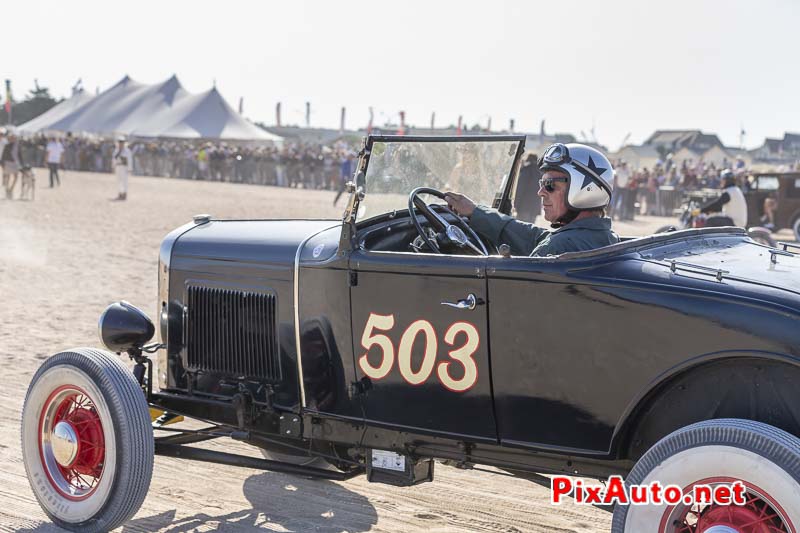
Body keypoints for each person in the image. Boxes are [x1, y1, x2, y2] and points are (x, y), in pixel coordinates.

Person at [445, 143, 619, 257]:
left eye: (550, 184)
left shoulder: (558, 248)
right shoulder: (601, 237)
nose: (541, 192)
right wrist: (476, 212)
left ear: (583, 190)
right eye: (542, 183)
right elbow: (532, 236)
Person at [513, 152, 542, 223]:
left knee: (519, 229)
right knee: (530, 230)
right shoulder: (540, 173)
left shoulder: (526, 170)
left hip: (523, 206)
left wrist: (515, 205)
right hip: (534, 208)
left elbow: (520, 189)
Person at [2, 132, 23, 199]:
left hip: (15, 163)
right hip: (8, 163)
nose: (12, 139)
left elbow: (20, 155)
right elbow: (3, 156)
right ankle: (7, 189)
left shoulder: (17, 146)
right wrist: (2, 164)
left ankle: (11, 189)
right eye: (11, 138)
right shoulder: (7, 146)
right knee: (7, 178)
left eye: (13, 138)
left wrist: (22, 164)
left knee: (16, 177)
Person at [112, 136, 133, 201]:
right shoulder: (116, 150)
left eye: (122, 142)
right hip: (118, 167)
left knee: (124, 181)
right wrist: (113, 166)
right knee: (118, 181)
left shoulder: (127, 151)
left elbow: (129, 160)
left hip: (124, 167)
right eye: (120, 142)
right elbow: (113, 159)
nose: (121, 143)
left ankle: (124, 193)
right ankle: (120, 193)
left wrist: (130, 168)